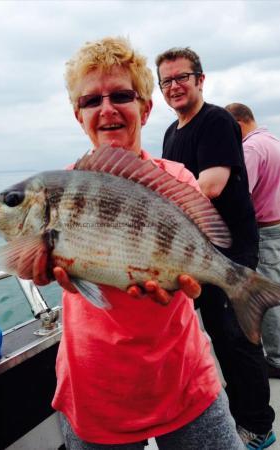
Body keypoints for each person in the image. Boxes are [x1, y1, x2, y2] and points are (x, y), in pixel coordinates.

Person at [18, 37, 245, 449]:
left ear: (145, 107)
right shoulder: (58, 188)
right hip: (96, 391)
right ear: (78, 115)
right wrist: (27, 261)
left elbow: (198, 259)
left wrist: (200, 282)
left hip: (185, 380)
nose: (106, 108)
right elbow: (27, 259)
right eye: (91, 100)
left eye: (121, 95)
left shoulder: (177, 181)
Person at [155, 47, 276, 449]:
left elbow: (210, 186)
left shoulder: (217, 121)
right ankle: (232, 413)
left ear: (200, 79)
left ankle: (258, 427)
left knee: (239, 340)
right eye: (166, 81)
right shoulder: (172, 133)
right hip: (195, 254)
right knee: (216, 337)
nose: (174, 86)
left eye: (181, 77)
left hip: (231, 253)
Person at [225, 102, 280, 380]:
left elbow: (240, 194)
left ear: (236, 125)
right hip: (278, 226)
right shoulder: (272, 140)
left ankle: (278, 359)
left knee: (267, 293)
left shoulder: (250, 149)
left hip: (265, 230)